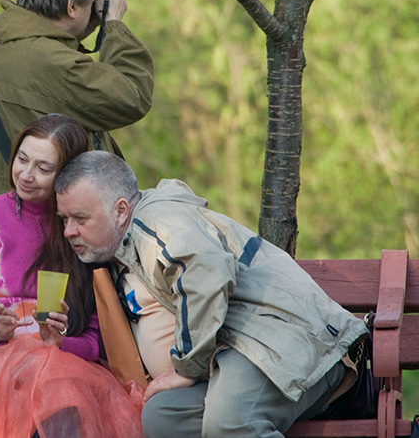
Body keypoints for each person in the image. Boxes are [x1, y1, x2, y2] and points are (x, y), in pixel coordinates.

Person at [54, 151, 369, 438]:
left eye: (80, 219)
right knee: (164, 419)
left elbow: (207, 272)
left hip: (282, 337)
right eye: (65, 220)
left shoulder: (158, 220)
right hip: (236, 349)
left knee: (231, 424)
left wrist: (186, 366)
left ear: (120, 209)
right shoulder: (127, 244)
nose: (69, 231)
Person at [0, 114, 144, 438]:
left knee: (60, 390)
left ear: (66, 175)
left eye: (44, 169)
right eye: (22, 159)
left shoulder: (78, 231)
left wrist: (60, 344)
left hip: (61, 372)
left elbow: (94, 338)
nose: (26, 175)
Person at [0, 0, 155, 202]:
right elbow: (132, 95)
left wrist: (83, 26)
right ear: (72, 6)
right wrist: (113, 23)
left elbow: (48, 67)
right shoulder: (54, 63)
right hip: (50, 229)